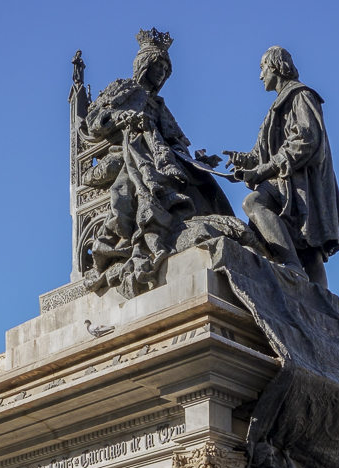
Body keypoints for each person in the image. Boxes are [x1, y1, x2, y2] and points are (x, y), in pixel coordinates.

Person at [82, 29, 233, 297]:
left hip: (159, 157)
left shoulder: (160, 105)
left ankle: (189, 222)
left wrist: (197, 158)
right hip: (123, 152)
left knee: (196, 175)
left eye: (166, 68)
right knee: (142, 160)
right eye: (158, 66)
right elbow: (95, 120)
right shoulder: (125, 89)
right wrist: (125, 118)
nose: (162, 72)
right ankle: (143, 232)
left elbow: (176, 140)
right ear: (144, 65)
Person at [224, 47, 339, 287]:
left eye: (262, 69)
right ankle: (326, 308)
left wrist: (264, 169)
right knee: (308, 248)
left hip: (300, 181)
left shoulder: (301, 96)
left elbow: (307, 139)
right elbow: (261, 154)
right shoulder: (276, 107)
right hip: (284, 178)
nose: (260, 76)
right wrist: (244, 161)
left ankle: (292, 266)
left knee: (254, 204)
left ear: (275, 67)